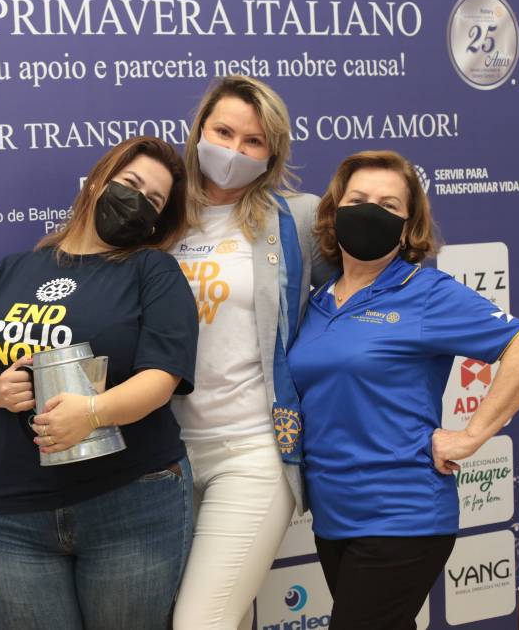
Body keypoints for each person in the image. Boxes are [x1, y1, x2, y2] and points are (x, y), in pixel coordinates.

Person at [287, 150, 519, 629]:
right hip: (333, 516)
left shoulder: (425, 293)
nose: (370, 212)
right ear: (334, 211)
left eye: (388, 206)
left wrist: (470, 436)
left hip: (402, 514)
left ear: (408, 226)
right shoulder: (317, 300)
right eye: (357, 200)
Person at [0, 136, 199, 630]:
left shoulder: (153, 271)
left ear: (157, 220)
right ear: (98, 182)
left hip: (131, 501)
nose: (137, 201)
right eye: (130, 183)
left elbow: (161, 377)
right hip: (17, 510)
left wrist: (91, 414)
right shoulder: (15, 269)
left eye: (153, 200)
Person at [172, 75, 333, 630]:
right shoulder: (161, 216)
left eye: (253, 141)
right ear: (199, 131)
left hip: (252, 449)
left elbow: (362, 292)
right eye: (223, 132)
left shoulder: (298, 218)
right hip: (164, 457)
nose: (234, 150)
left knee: (200, 621)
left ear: (272, 154)